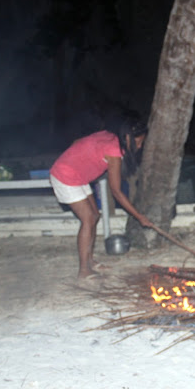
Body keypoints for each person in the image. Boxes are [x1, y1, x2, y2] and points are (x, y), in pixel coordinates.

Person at [49, 112, 153, 278]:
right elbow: (117, 192)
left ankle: (90, 261)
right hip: (65, 176)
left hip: (79, 176)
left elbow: (77, 142)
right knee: (88, 219)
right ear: (127, 137)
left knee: (95, 216)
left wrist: (81, 161)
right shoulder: (114, 153)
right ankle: (83, 270)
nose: (139, 147)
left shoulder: (110, 136)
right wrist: (139, 216)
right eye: (138, 142)